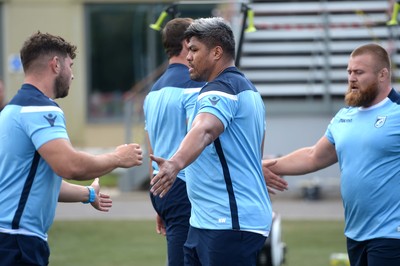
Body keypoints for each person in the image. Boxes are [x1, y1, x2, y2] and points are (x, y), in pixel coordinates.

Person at [0, 31, 143, 266]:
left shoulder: (11, 111)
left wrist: (88, 194)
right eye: (70, 65)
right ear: (56, 65)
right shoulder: (41, 109)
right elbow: (71, 166)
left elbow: (36, 182)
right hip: (17, 243)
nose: (73, 75)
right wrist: (117, 157)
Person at [263, 43, 400, 266]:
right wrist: (264, 166)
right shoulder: (345, 116)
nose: (352, 78)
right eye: (349, 72)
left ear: (383, 74)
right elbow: (313, 156)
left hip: (392, 235)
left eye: (359, 72)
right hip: (356, 233)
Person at [150, 17, 272, 266]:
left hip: (228, 223)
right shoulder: (246, 89)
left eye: (194, 50)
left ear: (216, 52)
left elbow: (205, 130)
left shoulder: (222, 88)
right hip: (207, 221)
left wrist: (174, 164)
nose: (188, 57)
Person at [143, 17, 205, 266]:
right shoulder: (192, 85)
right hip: (182, 185)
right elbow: (199, 136)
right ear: (185, 43)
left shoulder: (152, 92)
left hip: (162, 185)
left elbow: (152, 147)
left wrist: (159, 200)